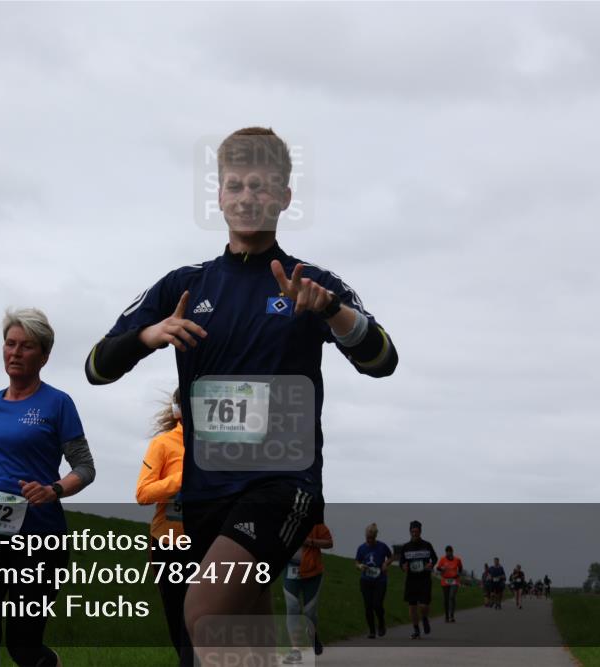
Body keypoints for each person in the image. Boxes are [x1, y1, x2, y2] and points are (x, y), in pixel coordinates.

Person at [84, 127, 398, 660]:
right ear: (220, 196)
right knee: (245, 647)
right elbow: (97, 367)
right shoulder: (185, 285)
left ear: (283, 197)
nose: (247, 197)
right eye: (235, 185)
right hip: (204, 497)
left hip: (282, 486)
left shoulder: (312, 282)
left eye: (259, 186)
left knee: (203, 612)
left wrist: (329, 311)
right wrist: (148, 336)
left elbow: (382, 361)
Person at [0, 308, 96, 667]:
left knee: (23, 646)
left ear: (44, 355)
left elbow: (85, 467)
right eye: (10, 344)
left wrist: (53, 489)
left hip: (40, 537)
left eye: (26, 346)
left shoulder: (58, 403)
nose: (15, 352)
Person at [135, 389, 192, 666]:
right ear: (178, 409)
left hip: (209, 544)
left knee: (202, 619)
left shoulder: (220, 447)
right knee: (177, 619)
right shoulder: (164, 444)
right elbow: (143, 493)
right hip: (168, 544)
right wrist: (182, 480)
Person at [282, 523, 333, 664]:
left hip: (313, 573)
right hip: (291, 569)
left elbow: (329, 543)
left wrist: (310, 541)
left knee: (310, 613)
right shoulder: (286, 520)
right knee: (292, 608)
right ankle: (295, 650)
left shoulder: (316, 523)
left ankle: (313, 636)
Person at [398, 520, 438, 639]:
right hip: (411, 580)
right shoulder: (406, 547)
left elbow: (434, 558)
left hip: (424, 579)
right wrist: (403, 566)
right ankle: (416, 629)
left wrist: (431, 564)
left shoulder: (427, 545)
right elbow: (401, 563)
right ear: (410, 532)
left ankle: (425, 618)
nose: (414, 533)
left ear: (420, 532)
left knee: (423, 606)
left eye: (416, 531)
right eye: (412, 531)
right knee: (412, 607)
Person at [355, 523, 393, 639]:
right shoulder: (362, 548)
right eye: (368, 538)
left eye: (372, 538)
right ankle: (372, 631)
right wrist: (360, 566)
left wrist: (386, 564)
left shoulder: (382, 546)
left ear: (375, 536)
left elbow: (391, 556)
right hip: (366, 580)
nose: (369, 540)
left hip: (380, 580)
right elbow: (356, 561)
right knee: (368, 606)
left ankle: (381, 623)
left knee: (377, 604)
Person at [435, 545, 464, 623]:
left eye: (450, 552)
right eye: (447, 552)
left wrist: (459, 574)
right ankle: (447, 616)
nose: (448, 553)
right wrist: (441, 568)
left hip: (454, 580)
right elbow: (438, 568)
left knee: (451, 597)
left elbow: (461, 568)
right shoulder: (442, 559)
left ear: (452, 552)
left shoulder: (457, 559)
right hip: (445, 580)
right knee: (446, 599)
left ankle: (452, 615)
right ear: (446, 552)